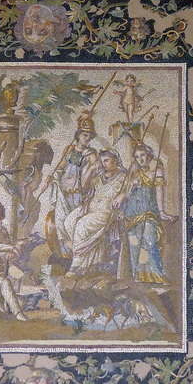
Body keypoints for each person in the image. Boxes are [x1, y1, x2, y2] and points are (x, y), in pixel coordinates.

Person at [42, 111, 98, 259]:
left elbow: (97, 171)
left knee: (73, 224)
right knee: (60, 224)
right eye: (85, 135)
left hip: (80, 195)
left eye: (89, 136)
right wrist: (51, 177)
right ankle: (66, 256)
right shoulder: (69, 150)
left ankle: (78, 256)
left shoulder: (91, 153)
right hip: (64, 193)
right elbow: (60, 168)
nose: (87, 138)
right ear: (78, 135)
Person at [65, 149, 129, 276]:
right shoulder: (100, 177)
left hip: (107, 211)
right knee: (69, 221)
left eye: (107, 160)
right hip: (91, 208)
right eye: (102, 161)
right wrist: (91, 170)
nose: (104, 164)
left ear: (116, 160)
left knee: (82, 225)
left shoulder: (123, 177)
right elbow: (83, 188)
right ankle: (87, 262)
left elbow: (132, 191)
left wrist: (123, 195)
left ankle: (77, 265)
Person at [123, 141, 177, 284]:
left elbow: (160, 191)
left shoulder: (157, 171)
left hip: (149, 212)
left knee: (150, 240)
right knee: (135, 243)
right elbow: (128, 195)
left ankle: (158, 275)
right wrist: (131, 186)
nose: (140, 159)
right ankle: (140, 276)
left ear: (149, 156)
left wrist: (162, 211)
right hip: (132, 213)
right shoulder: (136, 173)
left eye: (142, 155)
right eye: (137, 157)